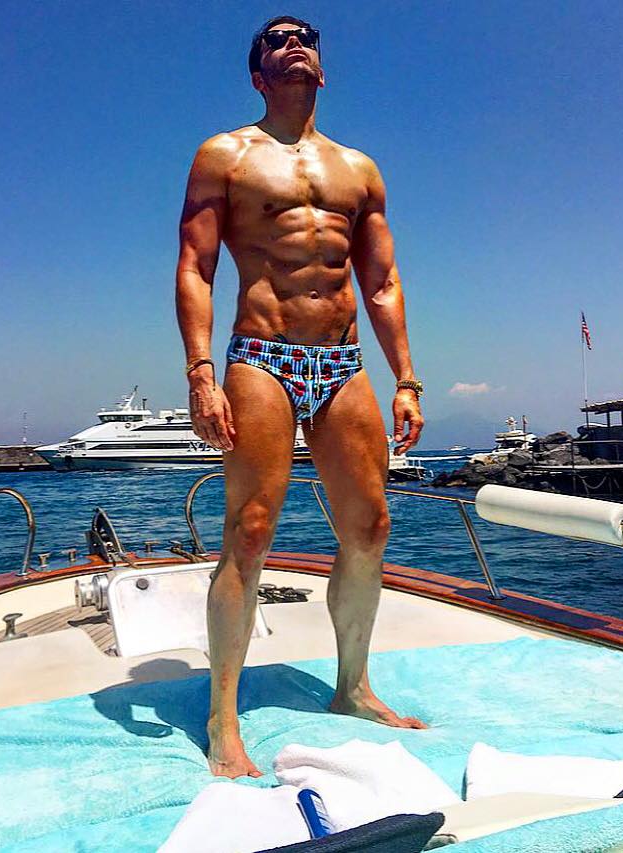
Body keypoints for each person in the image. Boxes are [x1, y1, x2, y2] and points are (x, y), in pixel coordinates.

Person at [175, 15, 426, 780]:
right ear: (257, 75)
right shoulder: (224, 154)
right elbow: (195, 265)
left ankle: (351, 687)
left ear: (322, 68)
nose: (294, 42)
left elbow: (380, 281)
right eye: (275, 38)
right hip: (262, 356)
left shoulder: (358, 169)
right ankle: (223, 719)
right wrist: (199, 373)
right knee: (250, 532)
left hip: (342, 362)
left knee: (370, 526)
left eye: (305, 37)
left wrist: (405, 378)